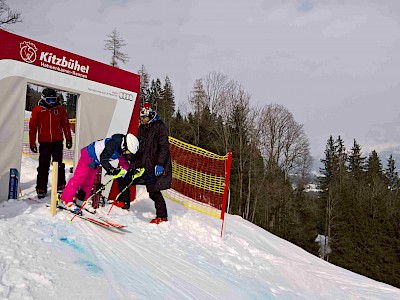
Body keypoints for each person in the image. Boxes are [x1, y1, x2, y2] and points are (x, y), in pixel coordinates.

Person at [59, 133, 140, 213]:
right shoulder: (112, 144)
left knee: (89, 182)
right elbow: (103, 158)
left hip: (96, 162)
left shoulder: (121, 149)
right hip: (88, 155)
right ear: (125, 145)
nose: (127, 153)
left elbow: (123, 162)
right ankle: (65, 200)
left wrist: (131, 171)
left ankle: (81, 200)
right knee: (78, 179)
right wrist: (111, 169)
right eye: (128, 151)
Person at [128, 102, 172, 224]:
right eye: (141, 117)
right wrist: (131, 158)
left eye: (144, 117)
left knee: (153, 191)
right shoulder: (142, 128)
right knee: (126, 177)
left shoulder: (160, 128)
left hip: (154, 164)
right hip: (143, 162)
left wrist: (160, 164)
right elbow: (138, 146)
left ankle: (162, 216)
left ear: (151, 116)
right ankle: (124, 204)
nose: (141, 119)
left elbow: (164, 147)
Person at [29, 88, 72, 198]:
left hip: (57, 141)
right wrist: (32, 142)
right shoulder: (37, 110)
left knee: (59, 164)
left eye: (53, 100)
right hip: (44, 142)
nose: (51, 102)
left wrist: (68, 138)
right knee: (43, 165)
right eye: (49, 100)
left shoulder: (60, 109)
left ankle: (60, 185)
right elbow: (32, 128)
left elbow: (66, 125)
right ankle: (41, 188)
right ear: (43, 98)